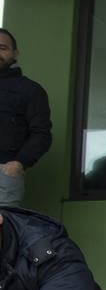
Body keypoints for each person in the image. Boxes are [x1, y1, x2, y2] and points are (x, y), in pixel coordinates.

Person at [0, 28, 52, 205]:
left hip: (4, 175)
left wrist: (19, 163)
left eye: (2, 48)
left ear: (15, 53)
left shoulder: (30, 90)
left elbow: (42, 133)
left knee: (3, 230)